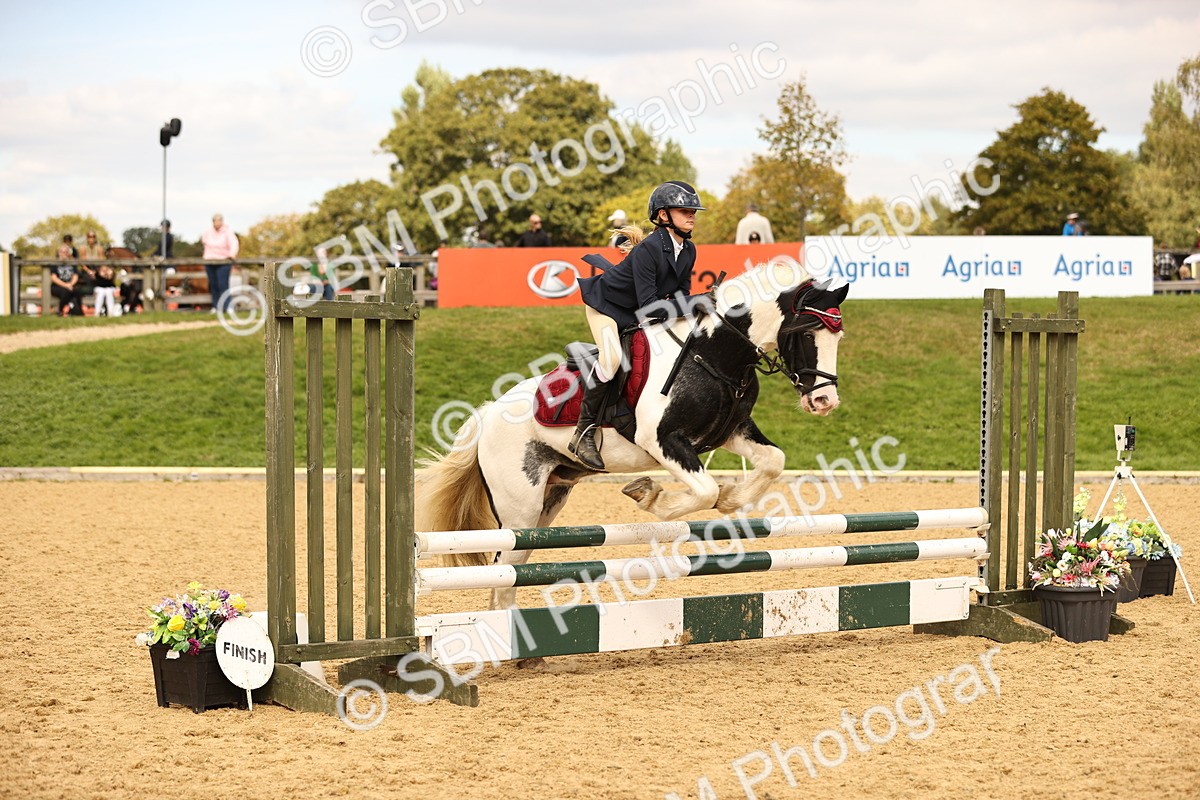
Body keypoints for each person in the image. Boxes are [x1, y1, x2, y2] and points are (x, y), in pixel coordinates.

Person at [570, 181, 705, 470]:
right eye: (685, 210)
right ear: (664, 215)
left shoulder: (689, 250)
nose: (692, 214)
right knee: (613, 358)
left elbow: (680, 295)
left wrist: (697, 306)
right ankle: (583, 431)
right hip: (606, 306)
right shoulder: (650, 249)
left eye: (693, 210)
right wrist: (697, 302)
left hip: (634, 312)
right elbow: (651, 306)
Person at [201, 213, 239, 312]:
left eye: (219, 221)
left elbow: (234, 243)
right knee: (213, 285)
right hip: (210, 261)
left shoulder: (228, 232)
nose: (217, 223)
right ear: (213, 222)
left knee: (223, 285)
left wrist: (232, 254)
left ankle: (227, 306)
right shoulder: (208, 232)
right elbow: (204, 242)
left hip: (223, 261)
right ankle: (215, 306)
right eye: (215, 221)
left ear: (222, 222)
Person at [50, 244, 83, 316]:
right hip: (57, 286)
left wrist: (70, 284)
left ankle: (77, 312)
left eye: (65, 252)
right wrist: (66, 285)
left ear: (69, 254)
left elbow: (75, 276)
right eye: (62, 252)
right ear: (58, 253)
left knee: (76, 291)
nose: (63, 254)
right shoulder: (55, 264)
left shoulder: (72, 263)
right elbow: (54, 278)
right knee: (67, 292)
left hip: (70, 285)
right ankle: (61, 309)